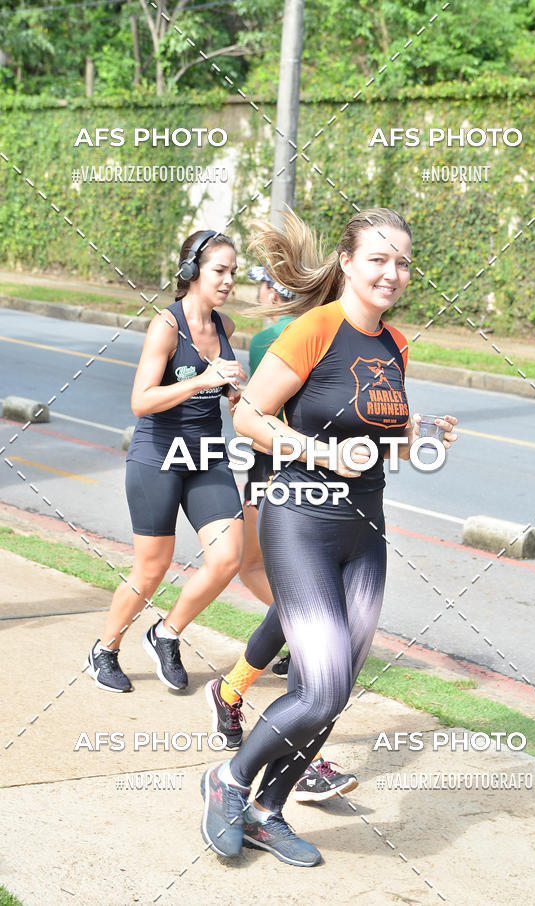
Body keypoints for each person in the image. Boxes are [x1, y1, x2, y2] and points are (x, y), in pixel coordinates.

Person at [201, 207, 458, 866]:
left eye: (400, 261)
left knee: (337, 689)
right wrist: (316, 453)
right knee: (317, 687)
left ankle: (267, 810)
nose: (391, 272)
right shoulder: (315, 328)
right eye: (378, 258)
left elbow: (381, 436)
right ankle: (227, 782)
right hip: (300, 519)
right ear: (347, 262)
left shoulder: (394, 344)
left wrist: (420, 433)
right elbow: (251, 418)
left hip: (363, 531)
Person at [205, 264, 358, 803]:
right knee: (304, 617)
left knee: (297, 612)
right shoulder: (287, 335)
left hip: (335, 488)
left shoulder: (358, 339)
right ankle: (305, 760)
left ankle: (231, 690)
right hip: (284, 479)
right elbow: (261, 415)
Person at [84, 230, 247, 692]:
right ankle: (105, 650)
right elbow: (141, 400)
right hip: (158, 455)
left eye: (233, 271)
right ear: (191, 272)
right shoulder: (166, 326)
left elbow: (228, 394)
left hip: (208, 456)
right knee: (153, 567)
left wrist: (237, 392)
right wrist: (202, 380)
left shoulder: (225, 328)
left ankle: (166, 633)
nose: (229, 279)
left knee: (227, 557)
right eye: (220, 270)